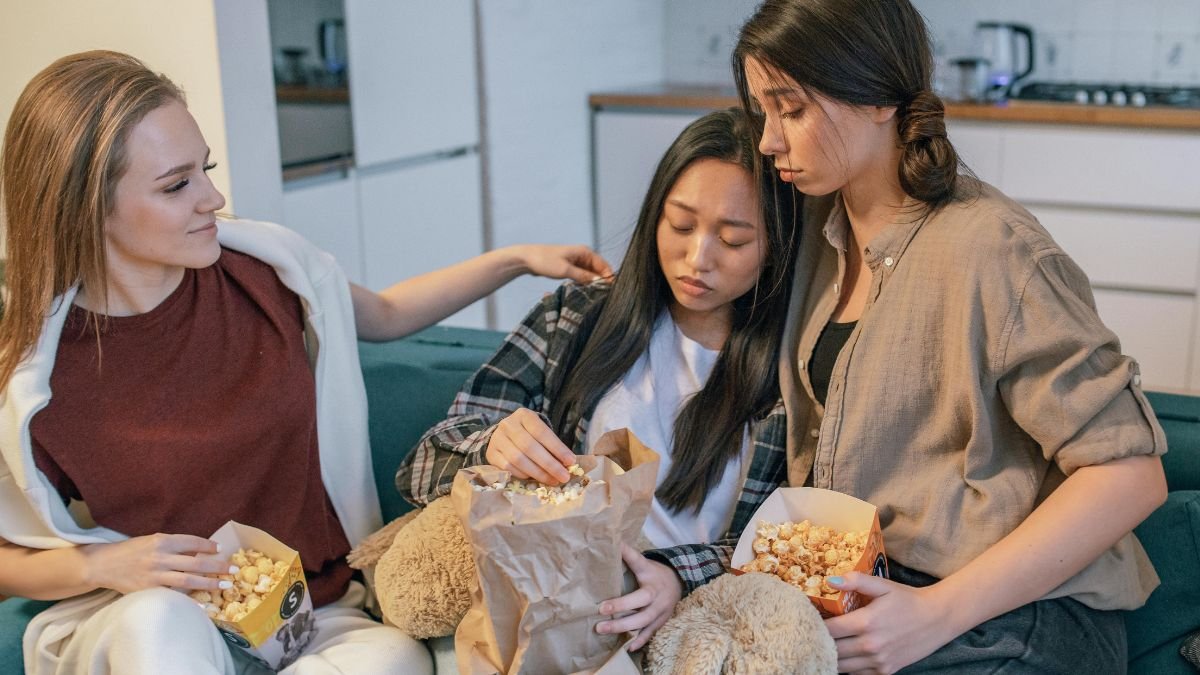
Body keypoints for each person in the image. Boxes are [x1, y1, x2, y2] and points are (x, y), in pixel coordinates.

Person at [0, 50, 611, 675]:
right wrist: (101, 564)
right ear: (84, 206)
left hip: (310, 613)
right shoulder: (34, 373)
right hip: (154, 621)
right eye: (177, 185)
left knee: (393, 662)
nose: (214, 197)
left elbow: (386, 314)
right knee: (157, 623)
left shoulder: (267, 271)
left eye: (206, 169)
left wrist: (516, 260)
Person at [732, 1, 1168, 673]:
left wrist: (934, 614)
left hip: (1017, 614)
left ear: (878, 98)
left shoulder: (994, 249)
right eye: (763, 110)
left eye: (790, 109)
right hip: (884, 592)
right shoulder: (815, 229)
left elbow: (1130, 475)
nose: (768, 140)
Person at [397, 108, 800, 650]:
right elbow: (422, 466)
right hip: (562, 606)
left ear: (776, 248)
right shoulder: (576, 318)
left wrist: (678, 576)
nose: (697, 258)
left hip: (703, 620)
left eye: (732, 241)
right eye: (680, 225)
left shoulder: (793, 371)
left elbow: (790, 546)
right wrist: (492, 445)